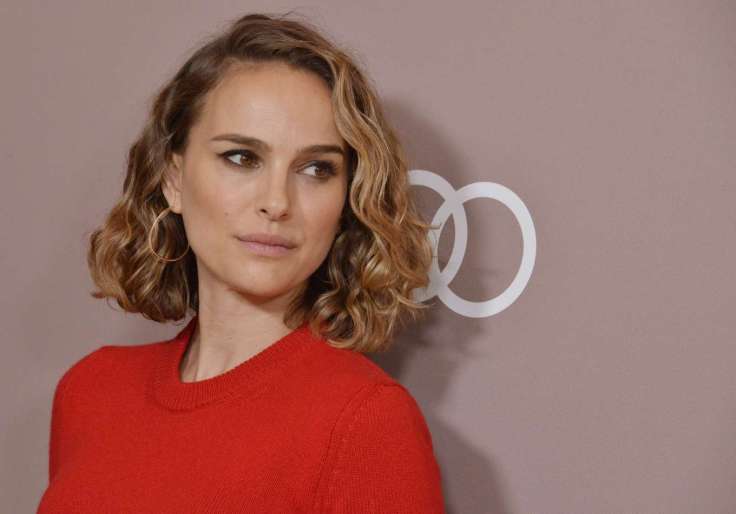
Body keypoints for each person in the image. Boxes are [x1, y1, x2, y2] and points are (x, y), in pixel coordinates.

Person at [37, 11, 445, 513]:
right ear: (173, 179)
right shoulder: (91, 391)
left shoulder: (365, 422)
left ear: (346, 199)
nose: (277, 202)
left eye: (316, 169)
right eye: (241, 158)